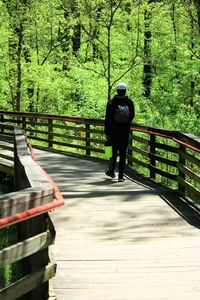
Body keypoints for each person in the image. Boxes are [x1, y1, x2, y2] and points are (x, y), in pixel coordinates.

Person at [104, 82, 135, 182]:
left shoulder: (111, 102)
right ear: (125, 91)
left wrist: (107, 132)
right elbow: (132, 116)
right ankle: (121, 176)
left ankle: (111, 171)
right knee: (123, 154)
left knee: (111, 152)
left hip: (113, 132)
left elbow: (107, 118)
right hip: (125, 132)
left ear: (117, 91)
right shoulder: (129, 102)